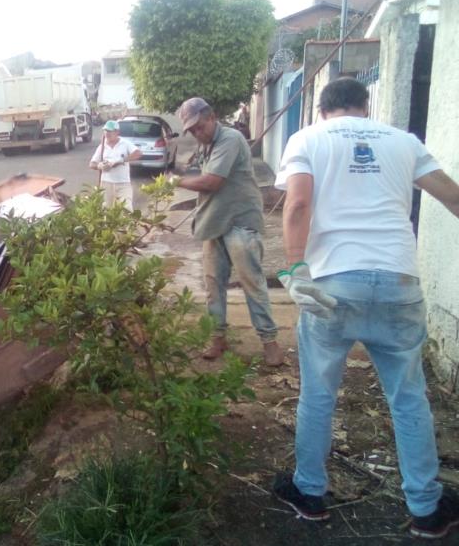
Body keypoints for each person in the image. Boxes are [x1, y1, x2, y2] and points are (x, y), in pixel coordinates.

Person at [272, 77, 459, 539]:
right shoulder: (403, 142)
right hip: (399, 282)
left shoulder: (308, 138)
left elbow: (297, 204)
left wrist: (295, 270)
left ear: (321, 110)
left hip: (334, 284)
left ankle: (310, 494)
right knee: (408, 396)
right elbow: (453, 196)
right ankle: (426, 508)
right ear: (365, 106)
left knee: (318, 394)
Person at [173, 97, 282, 367]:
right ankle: (218, 338)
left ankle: (270, 342)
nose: (198, 133)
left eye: (199, 127)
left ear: (211, 117)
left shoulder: (231, 139)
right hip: (214, 222)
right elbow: (200, 173)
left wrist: (176, 182)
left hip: (240, 222)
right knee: (213, 285)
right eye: (192, 131)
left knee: (252, 282)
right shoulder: (206, 146)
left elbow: (211, 181)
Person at [89, 120, 141, 210]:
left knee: (127, 210)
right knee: (106, 211)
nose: (107, 133)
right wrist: (100, 166)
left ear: (117, 132)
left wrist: (121, 161)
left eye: (109, 131)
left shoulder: (124, 143)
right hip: (106, 183)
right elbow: (91, 164)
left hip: (123, 183)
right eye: (105, 131)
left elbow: (138, 153)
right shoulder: (102, 146)